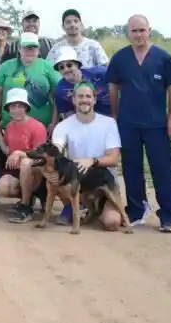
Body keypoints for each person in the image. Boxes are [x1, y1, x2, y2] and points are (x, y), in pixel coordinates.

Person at [106, 14, 171, 232]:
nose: (138, 35)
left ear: (150, 31)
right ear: (128, 33)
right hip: (128, 122)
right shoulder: (120, 58)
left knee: (162, 169)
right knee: (131, 168)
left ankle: (167, 216)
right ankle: (136, 210)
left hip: (157, 123)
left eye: (142, 30)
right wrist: (115, 116)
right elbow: (112, 87)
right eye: (134, 31)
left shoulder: (163, 58)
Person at [48, 83, 124, 231]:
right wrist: (53, 171)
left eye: (88, 96)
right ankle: (76, 206)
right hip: (77, 181)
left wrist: (92, 161)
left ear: (94, 100)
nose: (84, 100)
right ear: (74, 100)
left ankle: (95, 209)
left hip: (103, 180)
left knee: (112, 223)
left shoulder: (109, 123)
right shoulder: (63, 126)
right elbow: (55, 151)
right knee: (58, 177)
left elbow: (114, 159)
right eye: (80, 96)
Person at [0, 88, 49, 224]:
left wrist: (20, 154)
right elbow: (7, 150)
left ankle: (26, 207)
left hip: (37, 170)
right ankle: (28, 197)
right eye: (13, 106)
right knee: (3, 186)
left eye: (20, 106)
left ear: (26, 107)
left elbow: (40, 155)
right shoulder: (9, 126)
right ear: (8, 109)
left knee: (26, 163)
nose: (16, 110)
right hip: (18, 171)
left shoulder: (38, 126)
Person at [0, 32, 61, 129]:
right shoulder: (6, 66)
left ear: (38, 50)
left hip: (42, 125)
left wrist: (54, 122)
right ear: (19, 49)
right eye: (26, 47)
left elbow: (57, 95)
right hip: (10, 125)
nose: (30, 50)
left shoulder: (48, 66)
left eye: (33, 47)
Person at [53, 47, 111, 119]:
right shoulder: (60, 90)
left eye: (69, 65)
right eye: (61, 67)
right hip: (86, 122)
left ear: (77, 65)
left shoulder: (100, 73)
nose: (66, 69)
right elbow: (68, 115)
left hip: (111, 115)